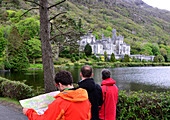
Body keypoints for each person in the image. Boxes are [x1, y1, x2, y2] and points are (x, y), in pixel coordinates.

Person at [23, 70, 91, 120]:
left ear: (60, 84)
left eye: (56, 85)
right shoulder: (85, 99)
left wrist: (28, 112)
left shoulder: (60, 102)